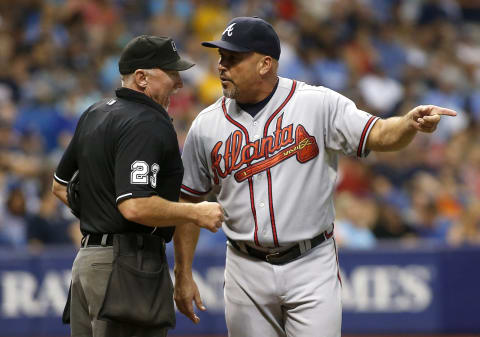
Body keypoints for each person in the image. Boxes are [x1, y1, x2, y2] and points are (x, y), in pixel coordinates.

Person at [173, 17, 456, 337]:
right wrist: (183, 273)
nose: (222, 66)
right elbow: (189, 202)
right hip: (244, 267)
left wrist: (408, 124)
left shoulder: (316, 104)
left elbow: (377, 134)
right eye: (222, 57)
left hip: (310, 263)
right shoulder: (206, 125)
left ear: (265, 64)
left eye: (233, 58)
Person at [51, 35, 224, 337]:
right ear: (142, 78)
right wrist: (195, 212)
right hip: (128, 267)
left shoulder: (95, 112)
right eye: (171, 73)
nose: (180, 83)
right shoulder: (148, 121)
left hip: (88, 264)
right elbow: (134, 205)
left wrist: (102, 217)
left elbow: (60, 186)